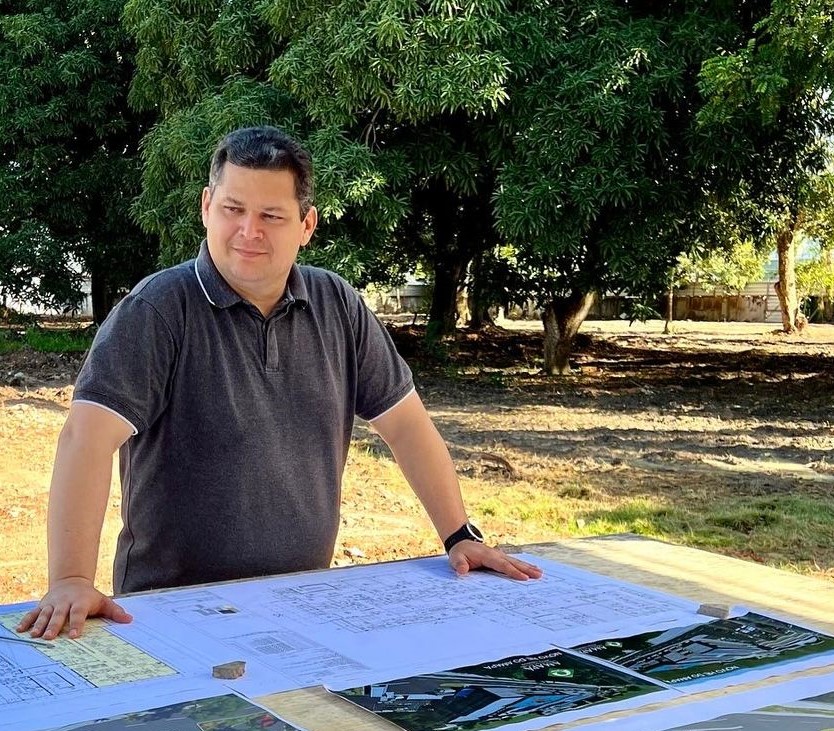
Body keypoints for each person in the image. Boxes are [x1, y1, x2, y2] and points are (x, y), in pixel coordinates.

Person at [19, 126, 541, 641]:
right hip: (172, 611)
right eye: (233, 209)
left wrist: (458, 534)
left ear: (306, 224)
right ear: (206, 206)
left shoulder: (337, 305)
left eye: (271, 215)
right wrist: (70, 580)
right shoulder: (156, 311)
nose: (249, 231)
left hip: (304, 602)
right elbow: (86, 439)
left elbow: (406, 426)